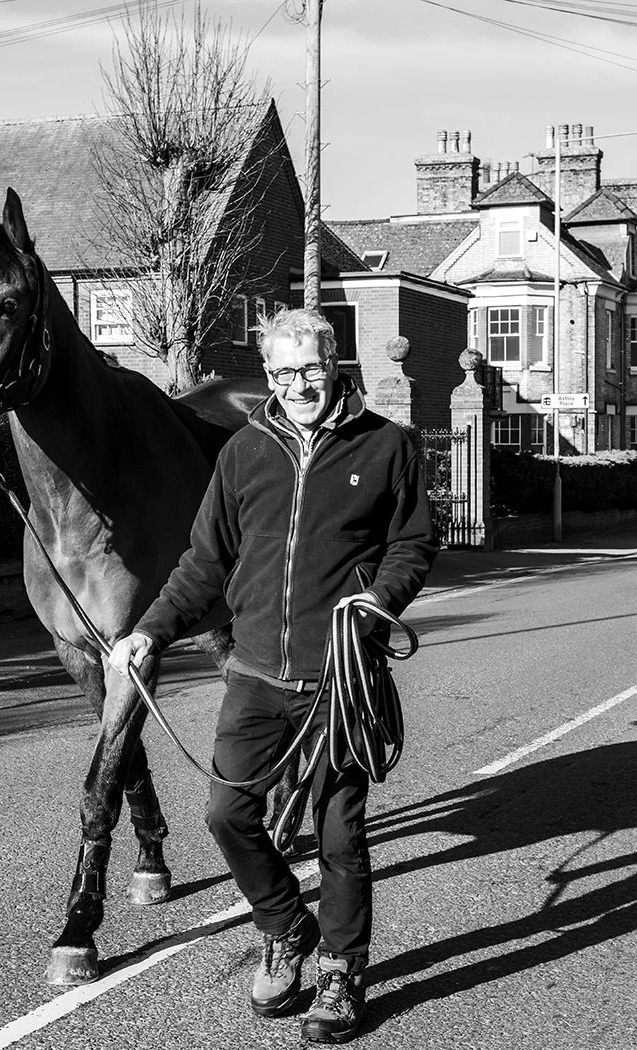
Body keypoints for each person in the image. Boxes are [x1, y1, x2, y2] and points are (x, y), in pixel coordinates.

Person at [108, 307, 438, 1044]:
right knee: (226, 814)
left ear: (335, 364)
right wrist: (149, 632)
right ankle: (288, 927)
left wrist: (379, 599)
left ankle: (342, 973)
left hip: (339, 677)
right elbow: (205, 561)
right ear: (268, 376)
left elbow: (414, 541)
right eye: (282, 373)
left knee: (339, 834)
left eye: (310, 370)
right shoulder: (243, 452)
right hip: (254, 672)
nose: (297, 385)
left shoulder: (386, 446)